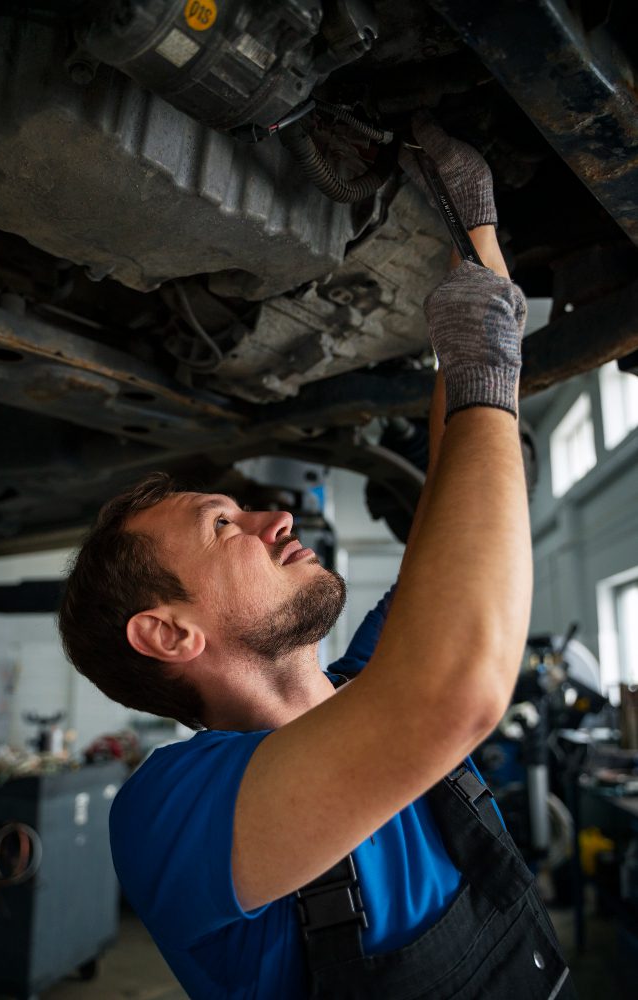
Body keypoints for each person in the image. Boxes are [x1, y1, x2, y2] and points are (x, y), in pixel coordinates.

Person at [58, 119, 576, 999]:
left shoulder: (372, 677)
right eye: (225, 525)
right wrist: (482, 341)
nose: (274, 516)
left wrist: (473, 238)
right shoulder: (166, 812)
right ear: (167, 632)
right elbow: (455, 691)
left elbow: (467, 517)